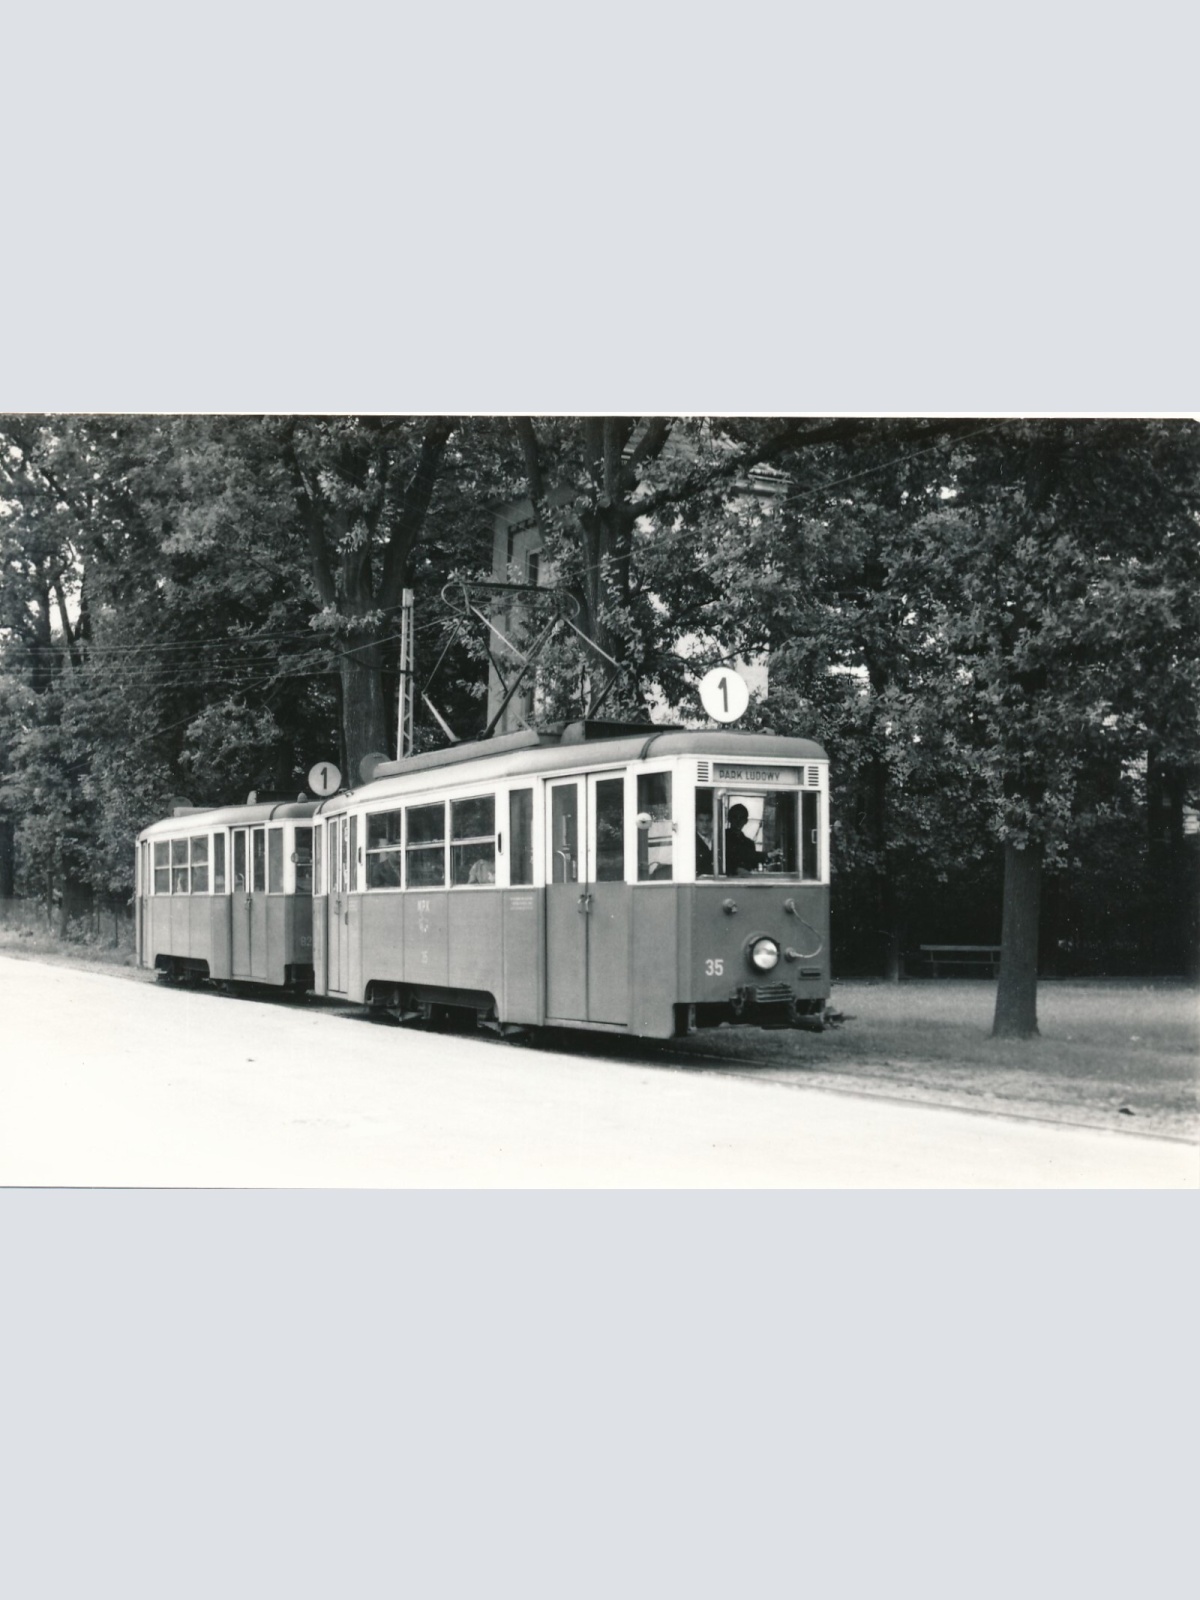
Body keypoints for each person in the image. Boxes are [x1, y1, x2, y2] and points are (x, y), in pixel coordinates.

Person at [724, 803, 759, 875]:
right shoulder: (722, 838)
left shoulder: (749, 844)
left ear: (746, 821)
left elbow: (752, 866)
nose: (738, 821)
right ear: (729, 819)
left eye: (741, 818)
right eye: (735, 817)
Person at [695, 808, 714, 875]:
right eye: (701, 820)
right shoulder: (691, 841)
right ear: (695, 822)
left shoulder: (718, 839)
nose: (705, 824)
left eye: (708, 821)